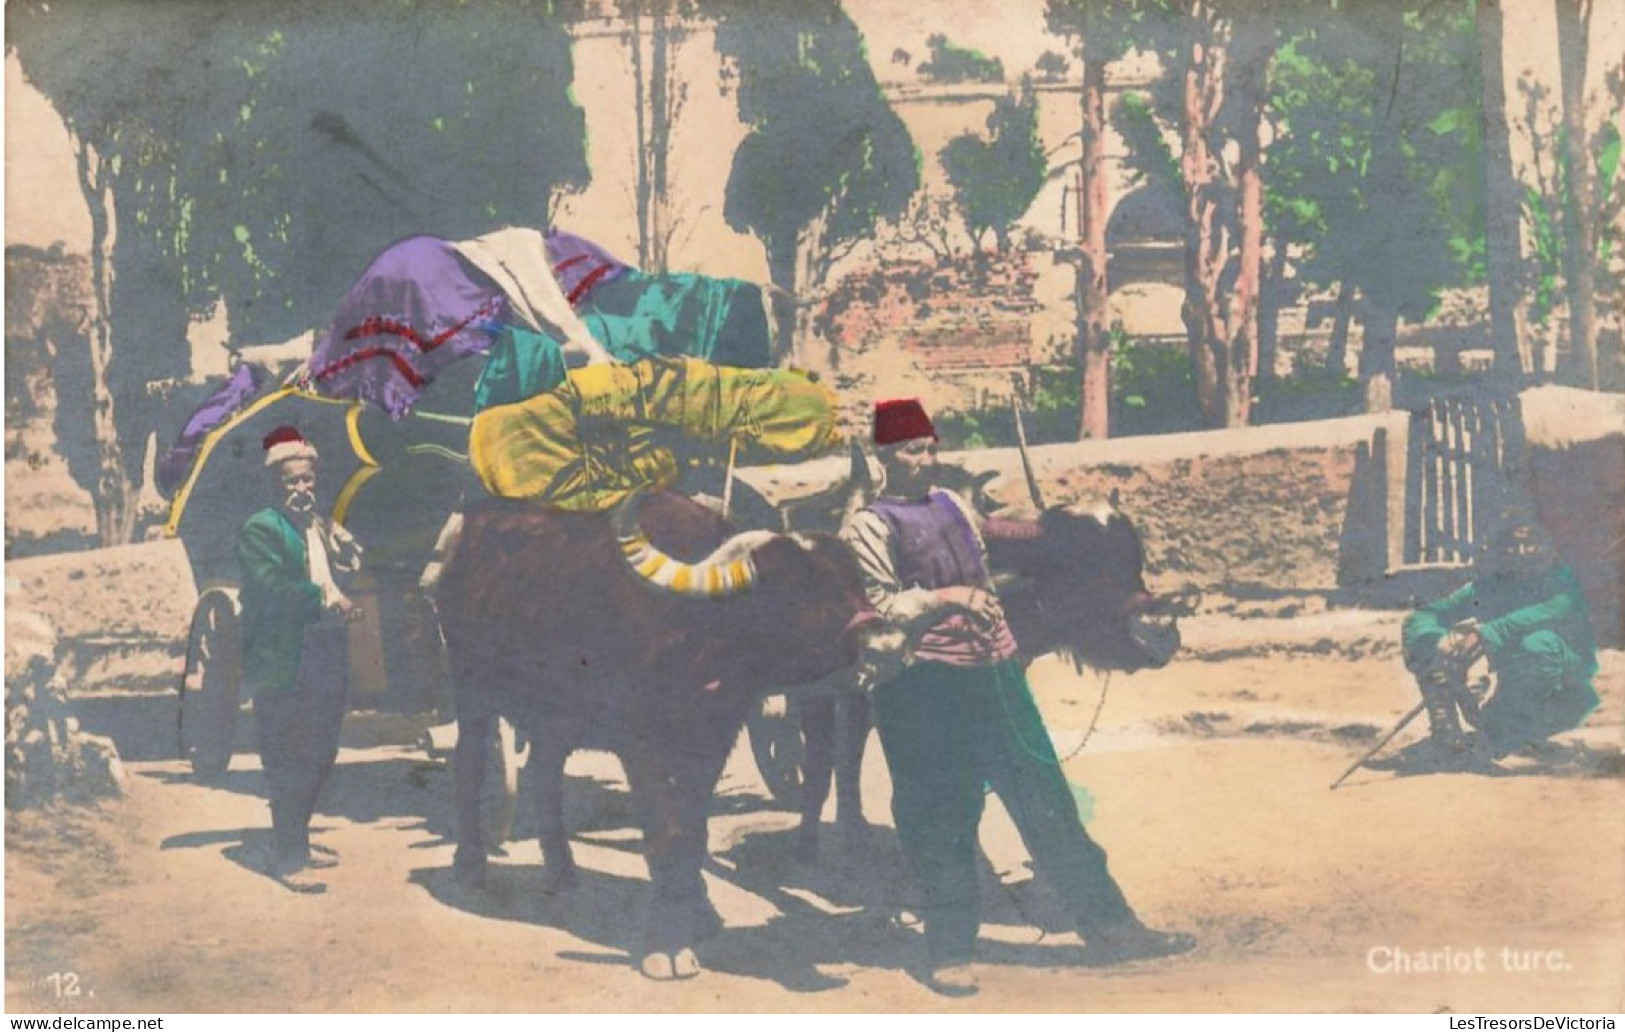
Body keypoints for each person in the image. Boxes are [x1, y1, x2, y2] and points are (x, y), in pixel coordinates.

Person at [841, 399, 1194, 995]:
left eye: (930, 447)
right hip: (922, 686)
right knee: (941, 816)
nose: (924, 460)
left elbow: (1014, 538)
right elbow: (880, 605)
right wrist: (948, 598)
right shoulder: (869, 526)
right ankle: (948, 950)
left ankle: (1112, 926)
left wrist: (1092, 541)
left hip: (996, 674)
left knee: (1046, 797)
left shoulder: (953, 504)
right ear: (884, 458)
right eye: (910, 451)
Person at [237, 426, 363, 892]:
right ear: (274, 485)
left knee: (323, 750)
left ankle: (299, 842)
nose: (301, 490)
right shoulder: (260, 528)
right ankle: (288, 857)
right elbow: (270, 590)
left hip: (325, 648)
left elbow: (334, 572)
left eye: (308, 481)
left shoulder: (316, 526)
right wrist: (326, 602)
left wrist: (345, 554)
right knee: (290, 753)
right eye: (291, 482)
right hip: (284, 656)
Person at [1390, 503, 1600, 770]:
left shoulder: (1563, 580)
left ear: (1546, 546)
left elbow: (1553, 610)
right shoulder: (1489, 586)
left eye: (1530, 543)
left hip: (1563, 684)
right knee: (1436, 641)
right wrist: (1437, 646)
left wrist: (1485, 635)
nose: (1521, 552)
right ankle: (1446, 734)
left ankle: (1504, 736)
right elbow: (1423, 616)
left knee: (1536, 645)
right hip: (1505, 682)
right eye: (1510, 545)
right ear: (1498, 550)